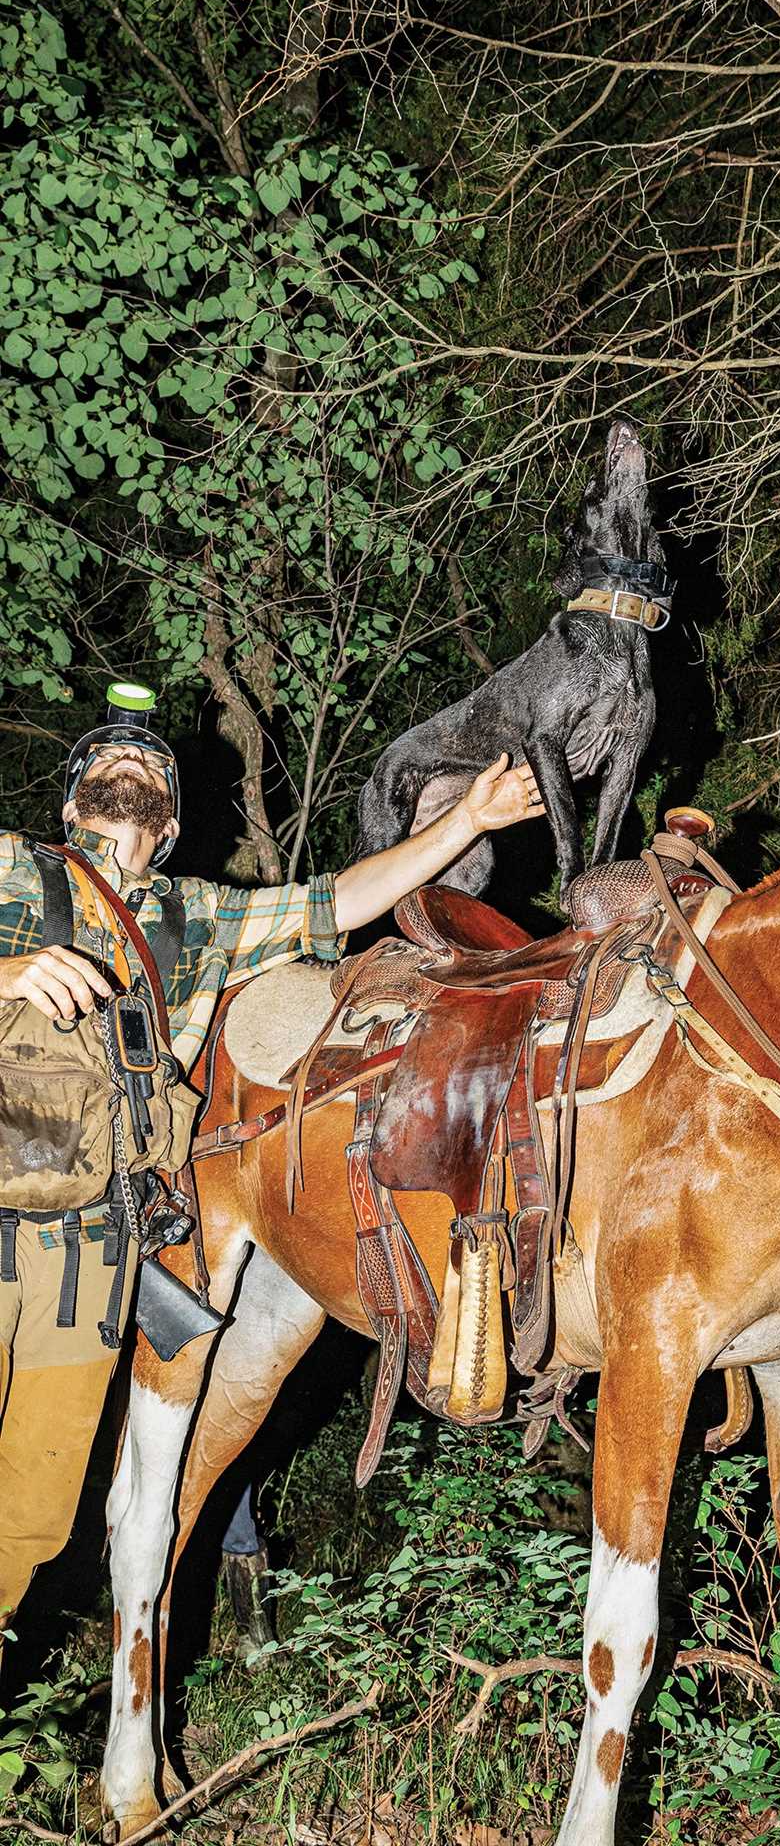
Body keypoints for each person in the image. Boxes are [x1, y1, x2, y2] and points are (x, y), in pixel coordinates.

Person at [0, 682, 543, 1644]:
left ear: (166, 823)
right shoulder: (10, 869)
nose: (128, 769)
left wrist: (468, 819)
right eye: (108, 762)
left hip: (87, 1261)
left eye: (149, 770)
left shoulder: (198, 920)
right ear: (73, 799)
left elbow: (339, 899)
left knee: (31, 1518)